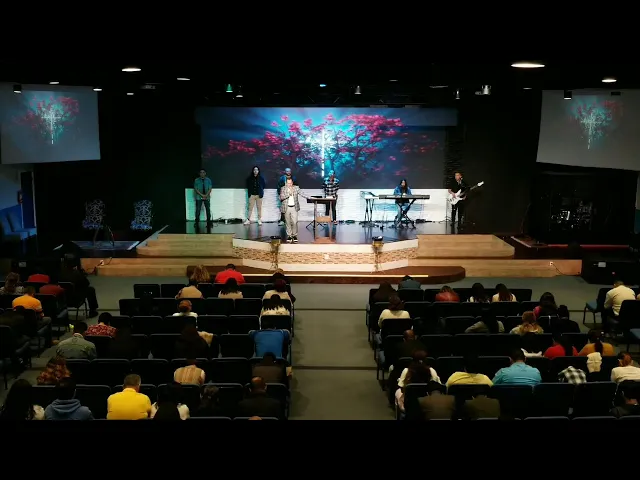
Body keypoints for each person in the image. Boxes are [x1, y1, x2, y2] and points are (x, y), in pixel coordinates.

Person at [280, 177, 310, 244]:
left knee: (294, 222)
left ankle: (294, 235)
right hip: (286, 207)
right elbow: (281, 197)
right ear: (286, 183)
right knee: (287, 222)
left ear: (292, 183)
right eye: (288, 183)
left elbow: (302, 193)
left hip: (294, 207)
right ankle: (289, 236)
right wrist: (288, 194)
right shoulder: (283, 188)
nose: (289, 184)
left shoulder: (296, 188)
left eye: (290, 183)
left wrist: (309, 197)